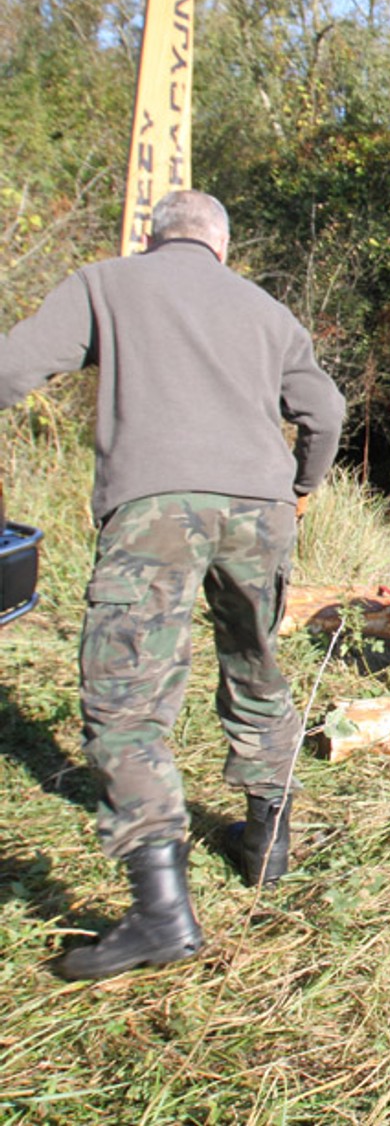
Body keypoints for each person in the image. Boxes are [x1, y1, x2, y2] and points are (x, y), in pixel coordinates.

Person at [0, 189, 346, 980]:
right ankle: (267, 842)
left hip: (156, 505)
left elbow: (14, 367)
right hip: (261, 510)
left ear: (152, 238)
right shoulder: (267, 309)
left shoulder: (105, 283)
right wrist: (303, 484)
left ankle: (159, 914)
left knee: (126, 698)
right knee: (257, 664)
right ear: (222, 248)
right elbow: (324, 408)